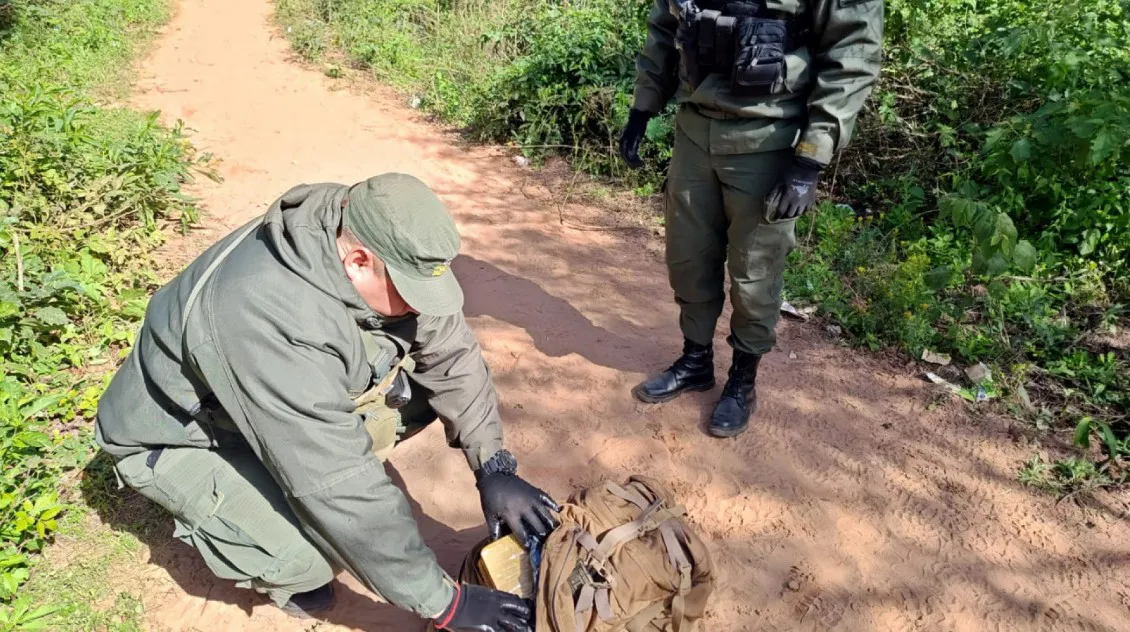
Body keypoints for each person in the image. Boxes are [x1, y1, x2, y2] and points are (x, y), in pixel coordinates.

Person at [95, 173, 557, 632]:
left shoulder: (363, 231)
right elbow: (336, 479)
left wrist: (493, 465)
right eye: (412, 294)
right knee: (315, 556)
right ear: (358, 261)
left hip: (258, 400)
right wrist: (444, 603)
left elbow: (452, 353)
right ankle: (280, 565)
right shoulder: (266, 317)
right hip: (181, 436)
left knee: (419, 395)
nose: (421, 306)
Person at [620, 0, 883, 437]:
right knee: (687, 257)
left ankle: (743, 379)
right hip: (694, 127)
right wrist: (642, 107)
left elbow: (852, 56)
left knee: (755, 272)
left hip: (770, 137)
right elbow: (666, 26)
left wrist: (810, 160)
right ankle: (696, 360)